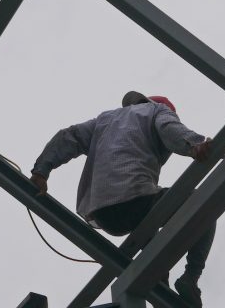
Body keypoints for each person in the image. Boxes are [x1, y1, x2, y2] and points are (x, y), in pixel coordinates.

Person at [31, 91, 215, 307]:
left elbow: (68, 136)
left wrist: (41, 171)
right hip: (137, 198)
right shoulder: (157, 110)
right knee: (202, 204)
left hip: (104, 214)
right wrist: (194, 145)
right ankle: (190, 278)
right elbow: (169, 128)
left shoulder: (103, 120)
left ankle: (159, 283)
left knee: (152, 236)